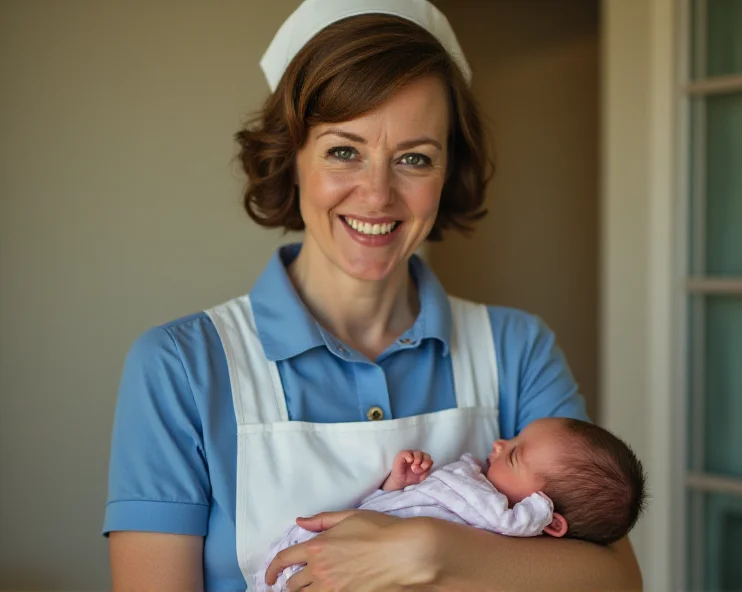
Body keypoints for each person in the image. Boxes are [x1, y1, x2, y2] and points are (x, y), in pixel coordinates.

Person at [103, 0, 644, 590]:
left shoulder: (516, 349)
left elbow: (614, 578)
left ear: (447, 172)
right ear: (293, 158)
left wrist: (430, 550)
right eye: (344, 150)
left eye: (414, 158)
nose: (378, 194)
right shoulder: (181, 367)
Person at [261, 418, 647, 591]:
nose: (499, 443)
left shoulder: (508, 522)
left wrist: (427, 549)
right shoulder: (475, 483)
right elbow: (405, 505)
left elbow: (620, 580)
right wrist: (402, 483)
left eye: (513, 455)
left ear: (545, 515)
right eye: (513, 437)